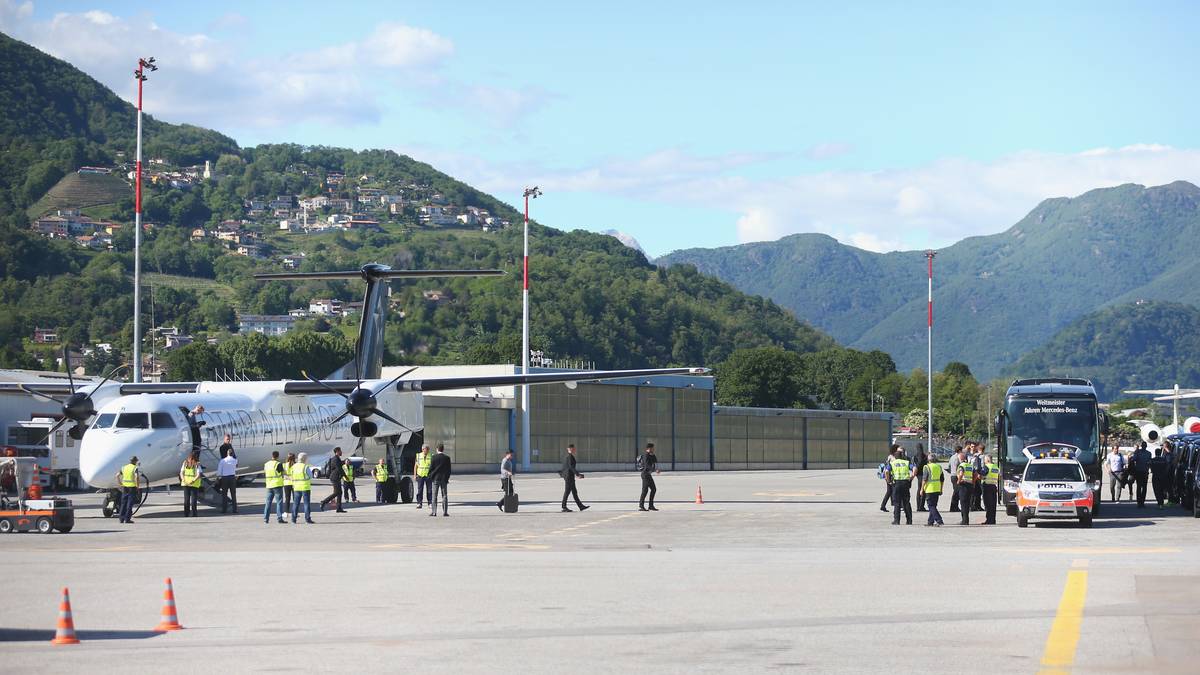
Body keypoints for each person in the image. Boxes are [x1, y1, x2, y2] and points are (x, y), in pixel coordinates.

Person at [887, 448, 913, 525]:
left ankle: (897, 520)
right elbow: (914, 469)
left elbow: (887, 471)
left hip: (897, 483)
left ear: (895, 457)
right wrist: (911, 478)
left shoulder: (892, 463)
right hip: (905, 483)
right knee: (906, 502)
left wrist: (888, 480)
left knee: (897, 503)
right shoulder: (906, 462)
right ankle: (909, 520)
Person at [560, 444, 589, 512]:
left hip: (569, 476)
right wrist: (577, 474)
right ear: (569, 449)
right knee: (567, 492)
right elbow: (571, 467)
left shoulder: (567, 456)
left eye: (573, 448)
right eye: (572, 448)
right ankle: (564, 507)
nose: (573, 450)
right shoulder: (570, 457)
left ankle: (581, 506)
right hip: (569, 477)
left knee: (574, 492)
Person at [290, 452, 315, 524]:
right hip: (305, 487)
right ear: (305, 459)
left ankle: (293, 519)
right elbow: (311, 476)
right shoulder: (305, 467)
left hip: (296, 487)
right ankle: (307, 519)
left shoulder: (294, 466)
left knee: (295, 504)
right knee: (306, 504)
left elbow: (292, 475)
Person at [919, 455, 944, 526]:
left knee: (931, 506)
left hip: (929, 488)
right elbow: (942, 479)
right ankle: (930, 521)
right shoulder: (939, 467)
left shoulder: (926, 467)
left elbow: (924, 479)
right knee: (933, 506)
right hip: (937, 488)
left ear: (928, 460)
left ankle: (939, 520)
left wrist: (921, 489)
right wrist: (941, 489)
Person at [319, 447, 346, 513]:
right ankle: (324, 502)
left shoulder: (336, 458)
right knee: (336, 492)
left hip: (336, 477)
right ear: (337, 452)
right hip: (335, 477)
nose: (341, 452)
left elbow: (339, 465)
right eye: (340, 451)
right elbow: (339, 468)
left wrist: (344, 462)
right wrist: (345, 476)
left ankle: (339, 508)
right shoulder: (336, 459)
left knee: (339, 492)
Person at [428, 443, 451, 517]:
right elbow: (449, 470)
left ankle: (434, 512)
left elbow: (431, 468)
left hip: (435, 479)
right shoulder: (447, 458)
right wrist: (447, 478)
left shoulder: (434, 457)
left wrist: (430, 476)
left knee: (434, 496)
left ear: (437, 449)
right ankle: (445, 512)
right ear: (443, 449)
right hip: (444, 479)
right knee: (444, 495)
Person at [263, 450, 286, 524]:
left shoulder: (266, 464)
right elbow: (282, 473)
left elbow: (265, 472)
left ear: (272, 456)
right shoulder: (278, 464)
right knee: (279, 502)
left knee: (268, 502)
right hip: (277, 485)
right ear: (278, 456)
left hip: (269, 485)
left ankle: (266, 518)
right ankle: (279, 518)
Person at [116, 456, 140, 524]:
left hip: (125, 487)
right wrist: (137, 486)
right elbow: (136, 477)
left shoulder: (124, 467)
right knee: (129, 504)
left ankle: (121, 519)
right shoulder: (134, 468)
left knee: (123, 503)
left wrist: (120, 483)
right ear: (135, 461)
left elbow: (117, 475)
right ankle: (127, 519)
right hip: (132, 488)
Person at [638, 442, 661, 511]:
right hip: (645, 474)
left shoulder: (651, 455)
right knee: (645, 490)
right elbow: (647, 465)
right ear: (649, 448)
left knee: (653, 489)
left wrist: (653, 455)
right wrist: (655, 470)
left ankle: (651, 506)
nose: (654, 449)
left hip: (648, 475)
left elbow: (655, 461)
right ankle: (641, 506)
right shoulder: (645, 455)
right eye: (653, 448)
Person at [955, 448, 975, 526]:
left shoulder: (961, 465)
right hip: (970, 485)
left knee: (963, 503)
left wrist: (958, 481)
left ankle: (964, 521)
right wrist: (973, 481)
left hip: (963, 485)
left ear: (961, 459)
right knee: (967, 503)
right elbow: (975, 474)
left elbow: (961, 474)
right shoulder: (970, 465)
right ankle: (966, 519)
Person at [179, 452, 203, 517]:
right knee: (193, 500)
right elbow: (199, 474)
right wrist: (193, 480)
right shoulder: (197, 464)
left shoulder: (185, 463)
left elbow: (181, 472)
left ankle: (186, 513)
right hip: (193, 484)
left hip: (185, 483)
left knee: (186, 500)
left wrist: (183, 479)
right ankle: (194, 513)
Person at [217, 445, 239, 514]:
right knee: (233, 494)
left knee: (224, 494)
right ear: (232, 454)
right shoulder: (235, 461)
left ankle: (224, 509)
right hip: (232, 477)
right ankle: (235, 509)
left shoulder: (223, 461)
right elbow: (236, 467)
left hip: (225, 478)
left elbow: (219, 471)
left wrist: (218, 477)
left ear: (227, 453)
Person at [1131, 441, 1152, 508]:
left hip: (1140, 471)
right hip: (1142, 471)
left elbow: (1133, 459)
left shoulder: (1138, 452)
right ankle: (1141, 502)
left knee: (1140, 487)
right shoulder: (1148, 453)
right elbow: (1150, 462)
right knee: (1142, 487)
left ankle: (1140, 501)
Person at [413, 445, 433, 510]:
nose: (427, 451)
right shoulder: (418, 455)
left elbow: (433, 466)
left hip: (428, 475)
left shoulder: (431, 456)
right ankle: (419, 503)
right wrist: (415, 475)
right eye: (426, 449)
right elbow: (415, 466)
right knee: (420, 490)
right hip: (420, 475)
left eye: (428, 449)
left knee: (429, 490)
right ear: (423, 449)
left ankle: (430, 503)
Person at [982, 454, 1000, 524]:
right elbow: (999, 476)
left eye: (985, 460)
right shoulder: (996, 467)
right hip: (994, 486)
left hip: (987, 486)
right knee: (993, 504)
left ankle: (989, 520)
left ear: (988, 460)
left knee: (988, 504)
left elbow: (983, 475)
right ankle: (993, 520)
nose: (984, 461)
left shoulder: (986, 466)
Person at [878, 447, 897, 512]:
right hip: (890, 476)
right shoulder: (893, 458)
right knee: (894, 491)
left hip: (888, 476)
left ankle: (883, 506)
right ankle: (896, 504)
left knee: (889, 491)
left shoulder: (890, 456)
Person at [913, 444, 928, 512]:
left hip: (918, 474)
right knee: (923, 490)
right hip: (924, 473)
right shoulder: (924, 456)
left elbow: (915, 464)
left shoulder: (915, 456)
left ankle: (918, 506)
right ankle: (921, 506)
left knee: (919, 489)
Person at [948, 445, 964, 512]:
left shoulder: (952, 457)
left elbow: (949, 466)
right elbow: (958, 467)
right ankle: (954, 507)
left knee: (956, 491)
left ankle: (954, 507)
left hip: (952, 475)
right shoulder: (958, 457)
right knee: (956, 492)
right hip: (956, 476)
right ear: (959, 450)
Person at [282, 452, 296, 522]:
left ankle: (286, 513)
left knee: (287, 498)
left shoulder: (284, 465)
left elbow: (283, 475)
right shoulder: (295, 465)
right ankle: (295, 512)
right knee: (295, 499)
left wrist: (288, 477)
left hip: (286, 483)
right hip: (294, 483)